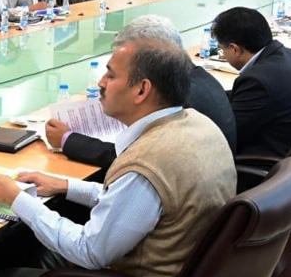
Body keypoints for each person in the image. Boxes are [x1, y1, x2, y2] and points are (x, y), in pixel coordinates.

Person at [0, 41, 236, 277]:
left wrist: (16, 198)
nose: (101, 83)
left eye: (111, 75)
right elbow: (134, 200)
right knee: (42, 257)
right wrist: (65, 186)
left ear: (141, 90)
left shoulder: (148, 160)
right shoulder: (197, 124)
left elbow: (90, 251)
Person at [45, 15, 237, 168]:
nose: (102, 82)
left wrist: (68, 139)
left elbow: (130, 159)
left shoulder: (179, 98)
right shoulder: (200, 78)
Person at [211, 7, 291, 158]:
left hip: (267, 160)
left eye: (221, 49)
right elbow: (244, 97)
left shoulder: (258, 80)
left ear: (235, 49)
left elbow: (227, 134)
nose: (223, 54)